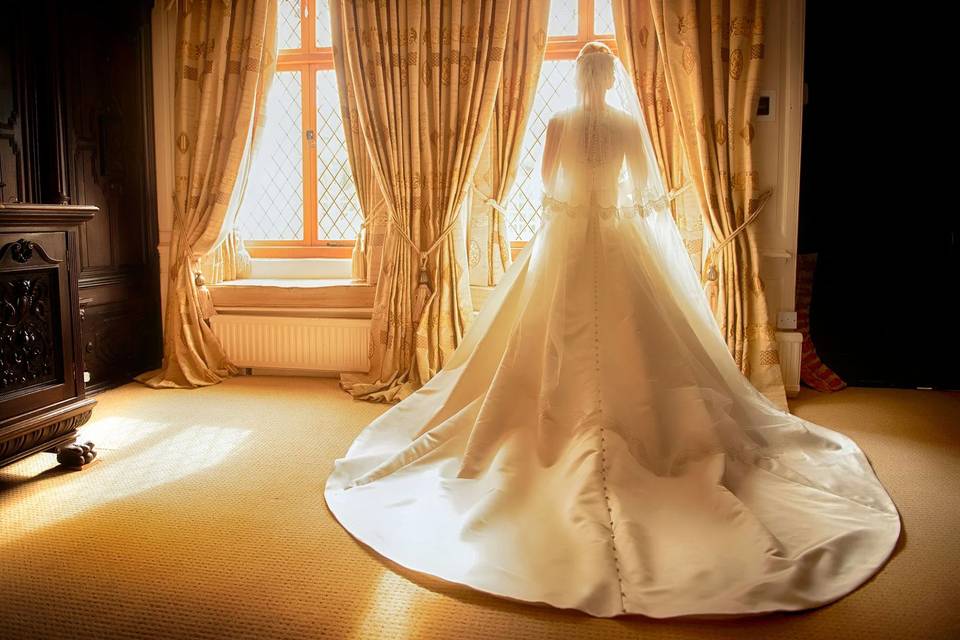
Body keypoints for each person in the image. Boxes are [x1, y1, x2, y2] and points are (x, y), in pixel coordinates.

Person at [325, 42, 901, 618]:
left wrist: (572, 212)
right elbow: (645, 191)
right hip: (617, 239)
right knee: (639, 341)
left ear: (580, 78)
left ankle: (552, 424)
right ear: (611, 79)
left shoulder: (559, 121)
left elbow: (548, 183)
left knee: (548, 338)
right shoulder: (626, 124)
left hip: (568, 242)